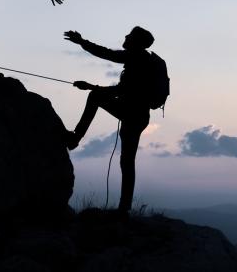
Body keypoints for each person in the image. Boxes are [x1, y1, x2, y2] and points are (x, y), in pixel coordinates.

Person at [64, 26, 168, 212]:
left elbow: (119, 83)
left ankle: (75, 138)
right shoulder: (139, 59)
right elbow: (109, 57)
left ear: (135, 42)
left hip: (132, 113)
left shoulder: (136, 59)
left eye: (129, 36)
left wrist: (91, 85)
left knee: (95, 97)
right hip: (138, 115)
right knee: (127, 161)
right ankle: (124, 208)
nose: (126, 37)